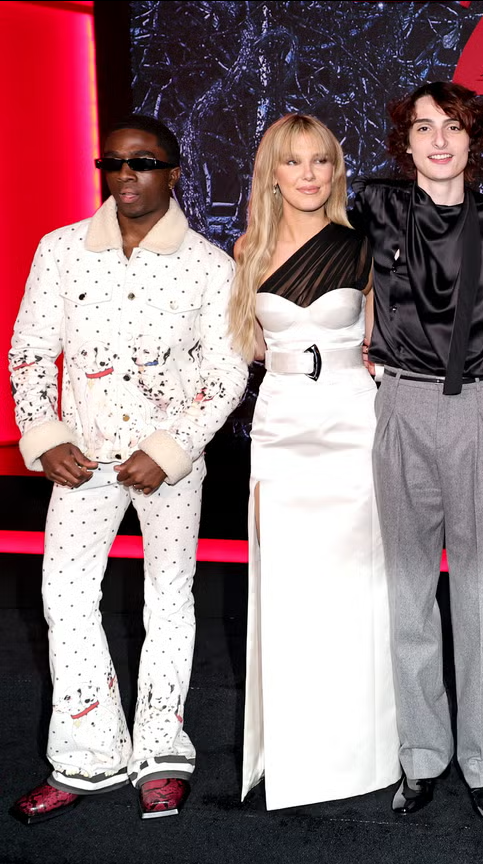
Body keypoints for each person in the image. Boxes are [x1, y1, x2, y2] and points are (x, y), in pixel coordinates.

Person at [8, 115, 248, 823]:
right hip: (80, 463)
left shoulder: (210, 265)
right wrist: (45, 436)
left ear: (172, 171)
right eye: (112, 163)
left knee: (168, 602)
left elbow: (227, 373)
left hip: (169, 467)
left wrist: (169, 450)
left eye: (142, 162)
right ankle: (88, 756)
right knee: (64, 599)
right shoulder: (60, 250)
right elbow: (29, 351)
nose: (125, 176)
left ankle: (161, 756)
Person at [348, 81, 483, 821]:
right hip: (399, 401)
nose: (439, 141)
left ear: (471, 136)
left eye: (452, 126)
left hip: (479, 403)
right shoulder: (376, 204)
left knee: (481, 593)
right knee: (409, 590)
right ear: (407, 141)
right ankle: (421, 756)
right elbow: (306, 241)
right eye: (424, 128)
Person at [231, 114, 400, 809]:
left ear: (336, 170)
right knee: (289, 586)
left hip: (353, 421)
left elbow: (384, 341)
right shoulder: (248, 249)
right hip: (280, 426)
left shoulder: (363, 247)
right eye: (293, 161)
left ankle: (363, 755)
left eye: (321, 161)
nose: (308, 174)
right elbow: (245, 344)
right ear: (272, 173)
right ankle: (296, 753)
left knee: (361, 586)